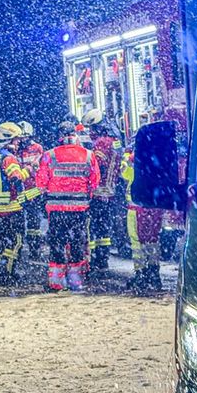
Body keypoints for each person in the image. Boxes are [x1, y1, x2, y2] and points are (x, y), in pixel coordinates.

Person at [36, 121, 100, 292]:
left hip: (56, 210)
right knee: (77, 243)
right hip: (79, 210)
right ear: (75, 134)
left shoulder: (49, 155)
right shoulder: (88, 155)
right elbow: (95, 183)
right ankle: (75, 281)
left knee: (57, 243)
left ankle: (57, 283)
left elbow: (40, 183)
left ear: (59, 136)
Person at [0, 122, 29, 286]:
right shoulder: (8, 159)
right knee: (15, 242)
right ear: (8, 140)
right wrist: (29, 170)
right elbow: (16, 178)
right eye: (16, 140)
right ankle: (8, 273)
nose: (18, 143)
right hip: (11, 208)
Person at [81, 109, 124, 273]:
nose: (90, 132)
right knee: (104, 226)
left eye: (92, 128)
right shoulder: (115, 140)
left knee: (93, 226)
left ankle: (92, 259)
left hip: (98, 190)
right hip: (111, 190)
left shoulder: (102, 143)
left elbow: (96, 164)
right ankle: (103, 258)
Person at [123, 147, 163, 292]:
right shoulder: (158, 164)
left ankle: (141, 273)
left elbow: (124, 173)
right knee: (153, 241)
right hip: (154, 209)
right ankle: (154, 273)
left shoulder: (134, 164)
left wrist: (127, 156)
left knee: (137, 243)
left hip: (136, 210)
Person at [17, 121, 45, 263]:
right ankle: (19, 248)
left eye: (24, 137)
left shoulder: (37, 148)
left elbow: (39, 167)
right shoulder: (15, 149)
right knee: (20, 222)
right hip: (20, 190)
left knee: (34, 221)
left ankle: (35, 248)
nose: (22, 140)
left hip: (33, 189)